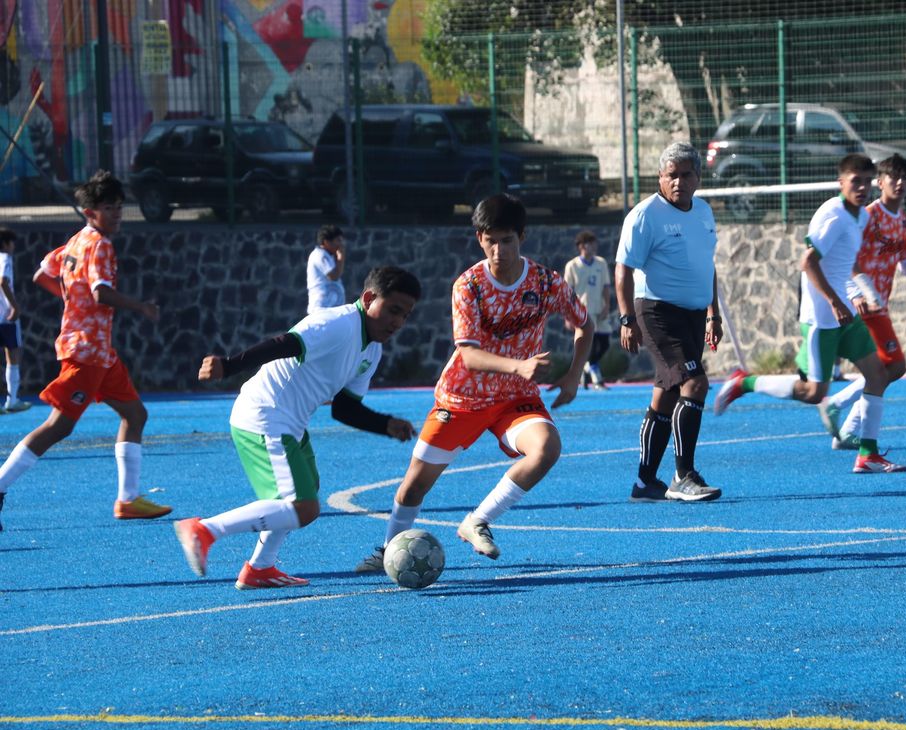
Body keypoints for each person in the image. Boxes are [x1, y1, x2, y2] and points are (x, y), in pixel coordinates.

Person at [354, 194, 592, 570]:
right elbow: (469, 355)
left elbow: (585, 324)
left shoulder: (546, 282)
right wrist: (519, 366)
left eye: (507, 240)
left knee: (546, 448)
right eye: (490, 240)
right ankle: (389, 552)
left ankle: (476, 520)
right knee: (415, 485)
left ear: (522, 237)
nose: (499, 249)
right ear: (479, 239)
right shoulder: (470, 286)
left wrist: (573, 376)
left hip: (515, 399)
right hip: (462, 398)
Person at [173, 266, 422, 589]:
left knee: (306, 490)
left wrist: (385, 424)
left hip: (290, 422)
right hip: (264, 415)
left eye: (406, 315)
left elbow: (344, 408)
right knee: (302, 508)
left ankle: (261, 568)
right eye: (394, 310)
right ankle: (204, 530)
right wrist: (229, 366)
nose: (398, 322)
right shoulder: (339, 324)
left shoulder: (372, 350)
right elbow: (285, 343)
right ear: (369, 298)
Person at [713, 153, 906, 474]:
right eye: (854, 181)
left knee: (879, 374)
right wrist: (834, 301)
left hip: (845, 315)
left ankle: (868, 454)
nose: (861, 188)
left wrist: (865, 292)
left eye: (866, 182)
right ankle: (745, 383)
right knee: (814, 393)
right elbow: (809, 261)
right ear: (841, 183)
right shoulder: (833, 215)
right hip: (822, 318)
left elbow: (847, 260)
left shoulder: (859, 216)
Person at [0, 170, 170, 532]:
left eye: (120, 207)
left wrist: (70, 298)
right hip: (86, 351)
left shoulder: (74, 242)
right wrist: (141, 307)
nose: (118, 214)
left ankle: (128, 500)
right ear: (90, 212)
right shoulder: (101, 245)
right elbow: (100, 293)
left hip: (101, 353)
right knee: (57, 427)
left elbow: (42, 274)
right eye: (110, 208)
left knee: (136, 415)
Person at [814, 153, 906, 450]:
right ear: (879, 182)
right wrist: (855, 293)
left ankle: (847, 427)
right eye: (892, 177)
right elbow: (845, 259)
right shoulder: (867, 216)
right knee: (891, 368)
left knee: (886, 370)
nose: (899, 182)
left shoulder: (903, 223)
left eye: (905, 177)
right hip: (861, 305)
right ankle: (844, 415)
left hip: (878, 306)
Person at [615, 141, 723, 502]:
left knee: (667, 394)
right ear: (660, 178)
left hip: (693, 315)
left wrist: (713, 314)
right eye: (671, 175)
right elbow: (623, 269)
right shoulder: (646, 215)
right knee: (695, 384)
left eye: (685, 175)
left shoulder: (704, 212)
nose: (678, 182)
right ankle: (683, 475)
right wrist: (627, 318)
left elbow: (707, 266)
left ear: (698, 178)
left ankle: (645, 482)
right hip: (657, 312)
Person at [563, 230, 613, 390]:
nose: (593, 246)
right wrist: (567, 316)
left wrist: (607, 305)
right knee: (588, 344)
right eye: (589, 243)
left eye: (594, 243)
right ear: (581, 246)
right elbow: (567, 292)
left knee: (605, 342)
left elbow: (606, 286)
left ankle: (588, 366)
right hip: (582, 311)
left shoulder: (601, 263)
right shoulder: (572, 266)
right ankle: (596, 377)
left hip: (599, 308)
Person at [0, 228, 31, 413]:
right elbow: (3, 281)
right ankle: (12, 400)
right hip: (6, 316)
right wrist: (15, 306)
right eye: (12, 243)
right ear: (6, 244)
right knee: (13, 355)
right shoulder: (5, 259)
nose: (13, 247)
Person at [306, 224, 346, 314]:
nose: (340, 244)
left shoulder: (328, 256)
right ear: (326, 242)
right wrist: (341, 258)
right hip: (322, 308)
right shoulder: (320, 256)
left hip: (330, 309)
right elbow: (333, 276)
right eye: (338, 240)